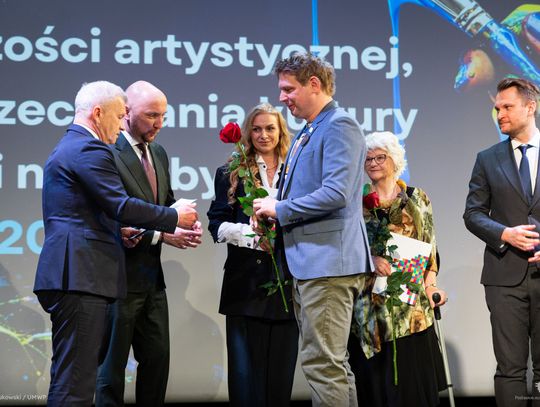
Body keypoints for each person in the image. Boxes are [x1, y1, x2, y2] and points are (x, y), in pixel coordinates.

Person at [34, 80, 198, 407]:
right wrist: (173, 216)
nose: (122, 124)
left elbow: (86, 212)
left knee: (73, 379)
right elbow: (120, 205)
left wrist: (119, 230)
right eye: (120, 116)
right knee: (75, 385)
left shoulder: (73, 145)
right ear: (98, 113)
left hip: (76, 275)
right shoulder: (88, 148)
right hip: (79, 276)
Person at [253, 53, 373, 407]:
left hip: (328, 264)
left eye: (289, 89)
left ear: (315, 84)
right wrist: (271, 207)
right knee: (330, 365)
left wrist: (280, 209)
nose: (282, 98)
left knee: (324, 365)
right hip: (313, 263)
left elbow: (336, 193)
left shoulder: (338, 125)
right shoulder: (312, 129)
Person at [95, 81, 203, 407]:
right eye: (152, 115)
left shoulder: (158, 152)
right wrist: (165, 232)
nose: (160, 123)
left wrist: (183, 223)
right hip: (118, 280)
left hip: (152, 281)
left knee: (157, 363)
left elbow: (163, 205)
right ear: (127, 113)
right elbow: (114, 216)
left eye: (163, 115)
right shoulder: (107, 151)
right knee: (110, 370)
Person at [207, 103, 298, 407]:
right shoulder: (230, 172)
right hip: (244, 286)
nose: (263, 135)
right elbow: (216, 224)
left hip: (287, 283)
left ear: (281, 131)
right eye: (256, 129)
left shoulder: (296, 172)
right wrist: (252, 236)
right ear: (248, 133)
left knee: (280, 379)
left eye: (270, 128)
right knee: (246, 379)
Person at [349, 131, 448, 407]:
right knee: (377, 392)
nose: (373, 163)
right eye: (368, 158)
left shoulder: (417, 198)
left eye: (380, 157)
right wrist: (370, 260)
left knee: (412, 388)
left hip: (411, 309)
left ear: (395, 160)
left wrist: (430, 284)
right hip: (370, 310)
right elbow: (346, 247)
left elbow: (430, 247)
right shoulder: (355, 202)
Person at [464, 77, 540, 406]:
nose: (500, 114)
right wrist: (504, 234)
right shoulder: (487, 158)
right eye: (497, 108)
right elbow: (472, 214)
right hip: (504, 276)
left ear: (530, 106)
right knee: (510, 369)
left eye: (507, 107)